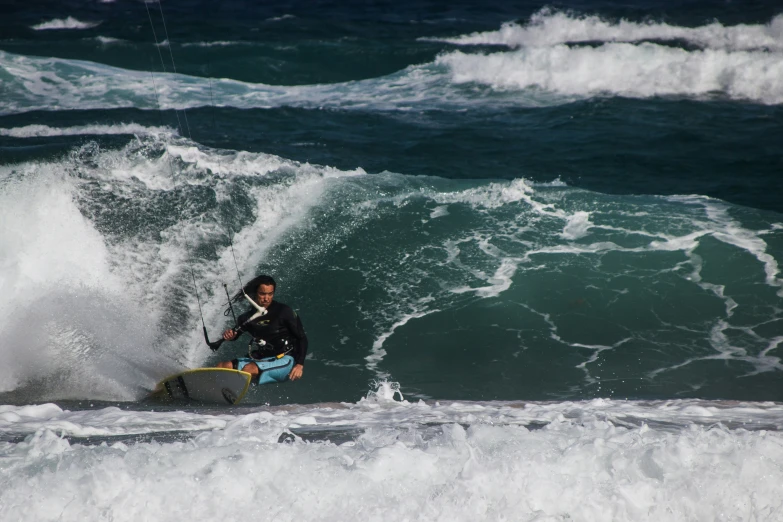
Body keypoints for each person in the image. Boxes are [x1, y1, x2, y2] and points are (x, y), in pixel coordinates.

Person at [215, 275, 307, 384]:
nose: (266, 298)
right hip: (262, 358)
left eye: (270, 294)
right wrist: (230, 335)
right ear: (255, 293)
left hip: (285, 360)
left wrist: (299, 365)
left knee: (248, 369)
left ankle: (231, 392)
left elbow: (302, 338)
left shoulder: (283, 311)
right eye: (262, 294)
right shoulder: (247, 317)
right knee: (222, 367)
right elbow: (235, 335)